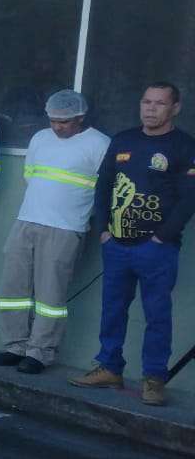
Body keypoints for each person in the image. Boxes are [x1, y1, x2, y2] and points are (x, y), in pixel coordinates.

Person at [70, 83, 195, 406]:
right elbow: (104, 186)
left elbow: (189, 199)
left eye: (159, 103)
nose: (150, 108)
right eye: (146, 102)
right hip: (116, 245)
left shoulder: (184, 146)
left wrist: (162, 237)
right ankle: (109, 367)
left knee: (157, 315)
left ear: (175, 108)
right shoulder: (123, 140)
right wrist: (104, 230)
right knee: (113, 309)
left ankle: (154, 379)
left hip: (156, 249)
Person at [0, 91, 109, 374]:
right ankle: (15, 346)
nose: (57, 127)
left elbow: (104, 190)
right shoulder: (40, 138)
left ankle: (40, 352)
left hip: (66, 227)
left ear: (80, 118)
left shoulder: (100, 144)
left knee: (50, 294)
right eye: (53, 120)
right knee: (13, 287)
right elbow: (30, 175)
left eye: (64, 122)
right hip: (27, 220)